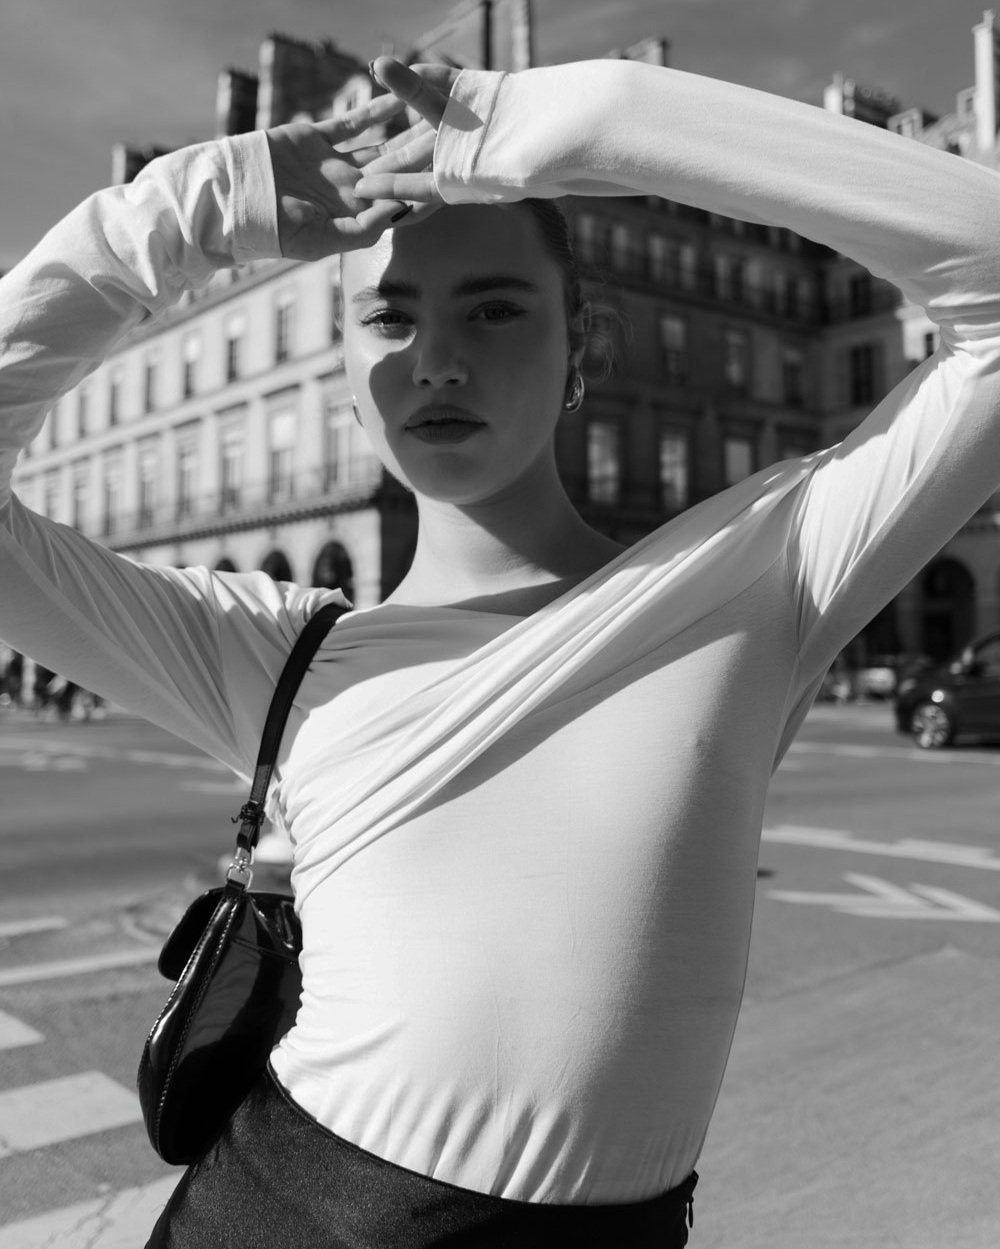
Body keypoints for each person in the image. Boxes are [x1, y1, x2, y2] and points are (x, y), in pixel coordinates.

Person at [2, 49, 999, 1248]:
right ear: (345, 375)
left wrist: (561, 123)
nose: (436, 358)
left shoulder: (752, 573)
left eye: (493, 307)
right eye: (389, 317)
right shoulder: (269, 651)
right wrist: (206, 205)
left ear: (587, 349)